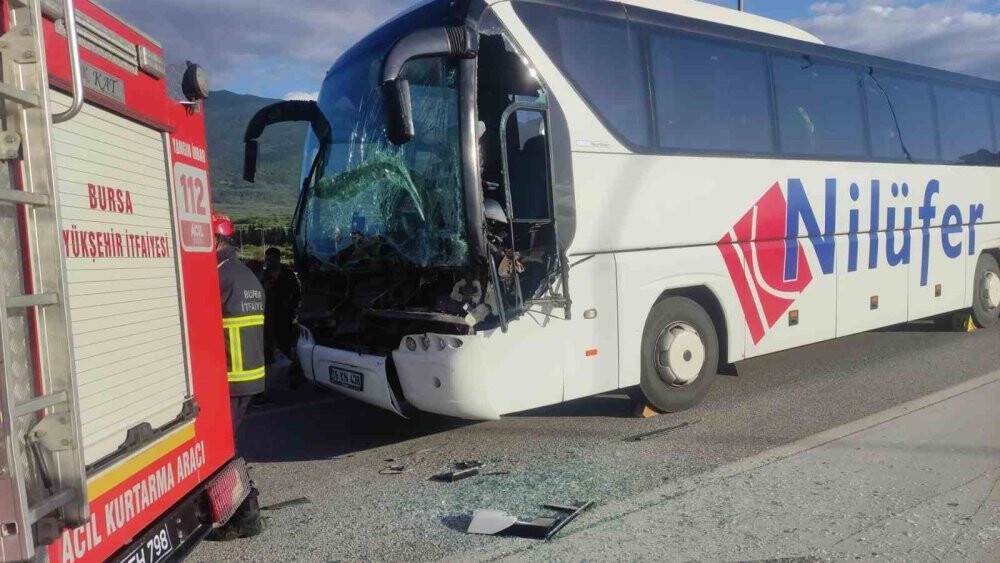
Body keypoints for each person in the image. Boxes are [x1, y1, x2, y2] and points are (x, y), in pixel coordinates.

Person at [210, 212, 266, 540]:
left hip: (231, 376)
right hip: (249, 375)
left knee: (222, 449)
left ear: (213, 239)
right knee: (228, 444)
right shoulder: (246, 274)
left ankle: (247, 513)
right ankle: (244, 512)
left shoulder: (218, 276)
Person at [261, 247, 300, 369]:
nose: (269, 262)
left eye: (272, 259)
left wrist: (291, 306)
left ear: (278, 259)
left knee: (285, 344)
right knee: (269, 344)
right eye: (267, 260)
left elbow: (297, 294)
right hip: (268, 316)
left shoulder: (288, 274)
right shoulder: (264, 275)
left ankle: (287, 367)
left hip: (284, 316)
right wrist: (265, 288)